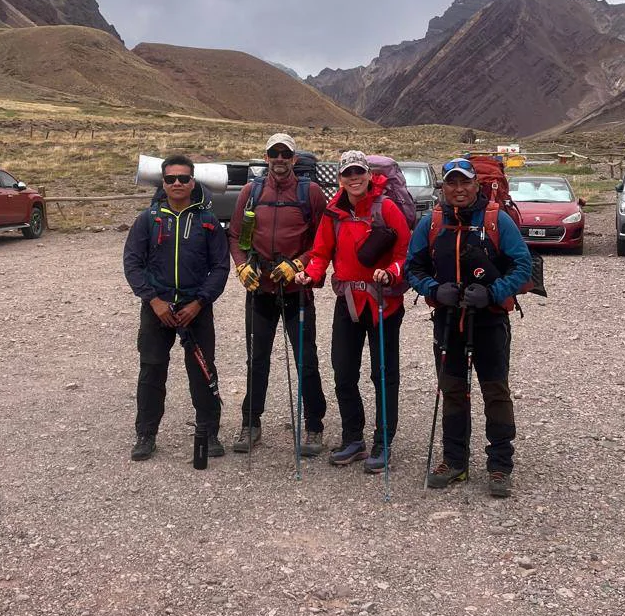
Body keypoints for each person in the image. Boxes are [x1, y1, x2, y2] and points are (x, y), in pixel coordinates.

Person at [405, 157, 532, 495]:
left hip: (490, 319)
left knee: (495, 390)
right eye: (451, 183)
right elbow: (411, 267)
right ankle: (455, 461)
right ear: (443, 187)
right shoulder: (430, 223)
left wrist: (493, 292)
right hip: (448, 320)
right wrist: (434, 290)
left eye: (464, 182)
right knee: (453, 391)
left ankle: (500, 465)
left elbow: (523, 266)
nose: (458, 189)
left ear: (476, 184)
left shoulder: (496, 220)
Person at [296, 150, 411, 474]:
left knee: (383, 375)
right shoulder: (333, 213)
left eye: (359, 172)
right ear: (341, 178)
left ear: (369, 175)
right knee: (344, 372)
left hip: (383, 304)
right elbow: (320, 253)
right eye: (348, 173)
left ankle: (382, 442)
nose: (354, 178)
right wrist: (311, 274)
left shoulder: (386, 208)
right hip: (348, 302)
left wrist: (391, 272)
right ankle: (353, 438)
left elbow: (405, 253)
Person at [123, 154, 230, 462]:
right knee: (152, 369)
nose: (178, 184)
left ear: (193, 182)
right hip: (158, 308)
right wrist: (153, 300)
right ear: (163, 183)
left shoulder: (207, 222)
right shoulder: (148, 219)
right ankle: (146, 433)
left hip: (195, 308)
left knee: (202, 369)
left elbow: (220, 266)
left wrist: (200, 302)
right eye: (171, 179)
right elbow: (132, 262)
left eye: (184, 178)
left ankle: (209, 433)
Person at [228, 132, 329, 456]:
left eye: (286, 154)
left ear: (295, 159)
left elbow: (323, 240)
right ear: (267, 157)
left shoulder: (309, 192)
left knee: (306, 361)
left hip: (296, 289)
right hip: (261, 290)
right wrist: (242, 266)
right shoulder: (251, 192)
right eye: (275, 153)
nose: (280, 159)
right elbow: (236, 236)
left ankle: (314, 426)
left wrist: (299, 263)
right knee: (256, 360)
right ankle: (251, 423)